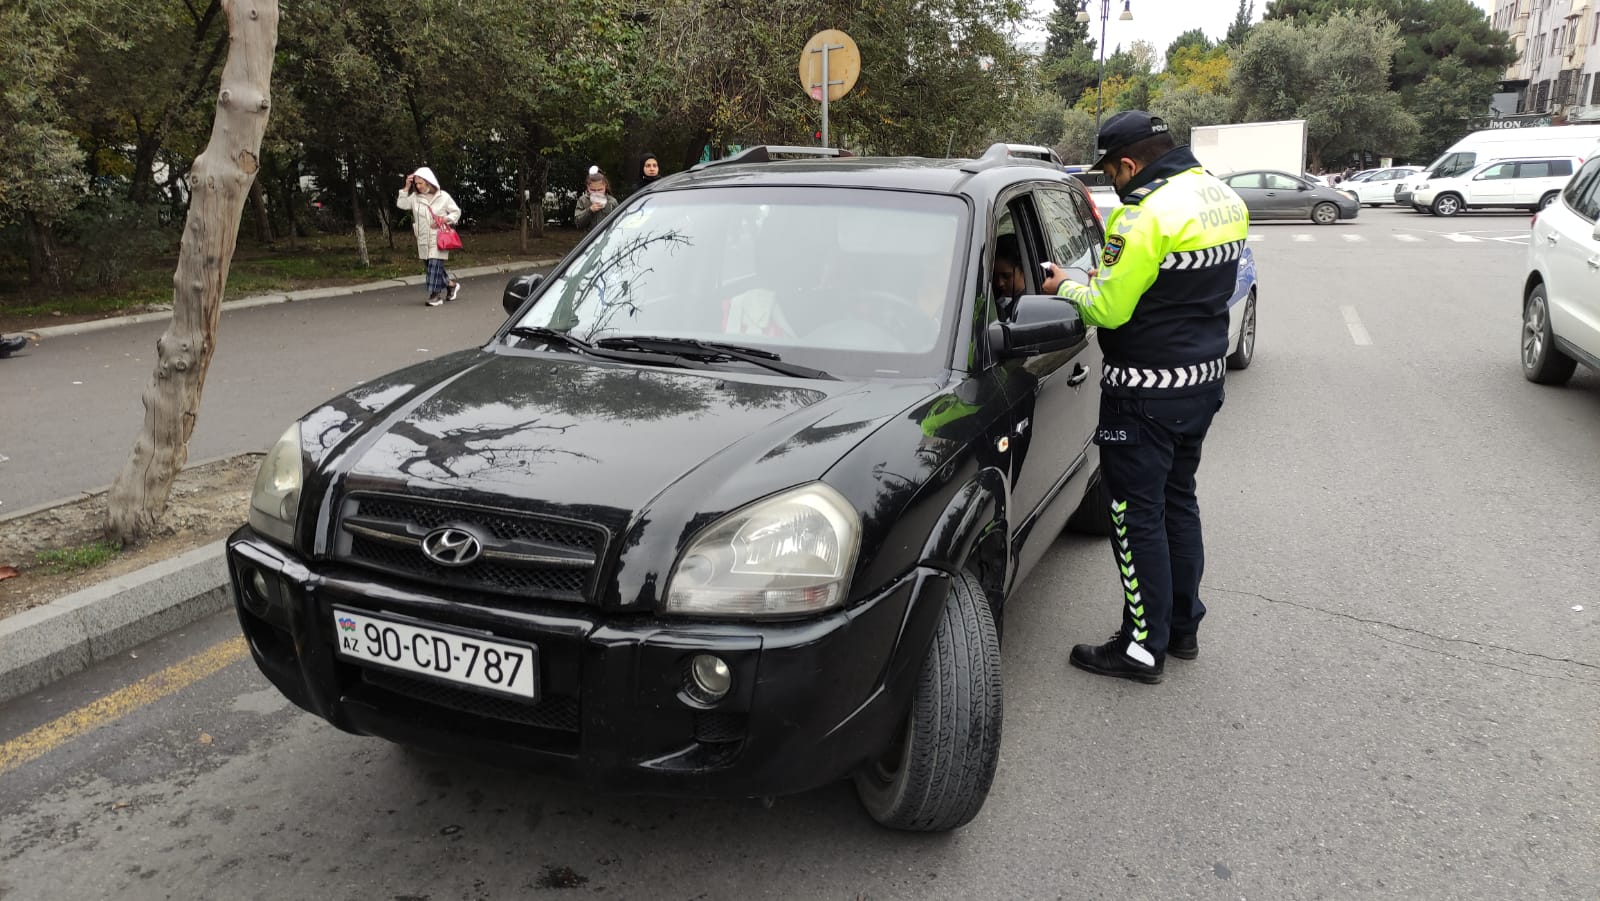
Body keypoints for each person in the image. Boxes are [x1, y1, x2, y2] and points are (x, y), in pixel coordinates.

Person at [1041, 111, 1249, 684]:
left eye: (1111, 173)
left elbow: (1108, 308)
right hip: (1202, 383)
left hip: (1145, 394)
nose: (1114, 183)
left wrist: (1065, 286)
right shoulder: (1221, 197)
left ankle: (1140, 647)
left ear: (1128, 164)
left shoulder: (1142, 217)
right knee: (1178, 503)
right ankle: (1182, 628)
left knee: (1135, 518)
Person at [396, 167, 463, 307]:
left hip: (439, 237)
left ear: (428, 182)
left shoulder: (443, 196)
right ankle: (451, 286)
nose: (418, 186)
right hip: (422, 238)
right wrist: (406, 187)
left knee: (434, 265)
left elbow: (456, 212)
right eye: (416, 183)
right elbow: (401, 204)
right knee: (432, 266)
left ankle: (435, 295)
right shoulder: (415, 198)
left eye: (421, 183)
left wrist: (445, 219)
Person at [574, 167, 618, 231]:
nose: (597, 193)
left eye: (600, 190)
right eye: (593, 190)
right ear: (588, 187)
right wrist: (590, 210)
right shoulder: (583, 200)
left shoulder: (612, 202)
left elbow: (618, 222)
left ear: (605, 186)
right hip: (590, 239)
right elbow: (578, 223)